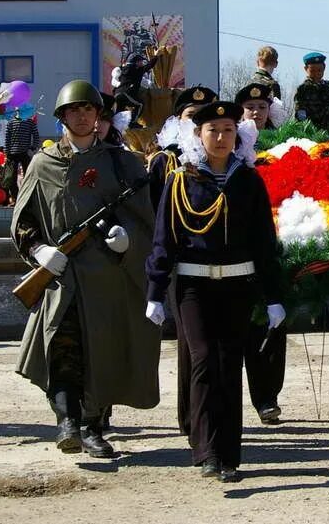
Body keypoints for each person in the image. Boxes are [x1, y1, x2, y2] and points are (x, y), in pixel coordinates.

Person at [12, 80, 159, 459]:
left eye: (88, 110)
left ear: (98, 116)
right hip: (61, 278)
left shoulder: (121, 163)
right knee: (61, 347)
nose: (81, 116)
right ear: (62, 116)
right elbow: (23, 220)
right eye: (73, 110)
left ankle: (93, 427)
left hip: (107, 278)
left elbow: (146, 219)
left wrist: (127, 240)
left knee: (102, 352)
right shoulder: (42, 164)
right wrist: (39, 249)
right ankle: (67, 422)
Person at [145, 100, 285, 482]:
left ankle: (228, 455)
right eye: (213, 130)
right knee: (204, 360)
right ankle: (206, 450)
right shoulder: (181, 179)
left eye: (227, 130)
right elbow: (164, 238)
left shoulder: (249, 179)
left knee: (229, 364)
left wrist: (274, 297)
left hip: (238, 283)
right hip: (194, 284)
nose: (221, 138)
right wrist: (155, 291)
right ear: (198, 135)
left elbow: (263, 242)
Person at [146, 85, 217, 436]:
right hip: (179, 263)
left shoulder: (224, 160)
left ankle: (210, 420)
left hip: (219, 264)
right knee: (191, 345)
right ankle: (191, 420)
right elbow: (155, 216)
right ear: (177, 120)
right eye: (191, 118)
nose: (196, 126)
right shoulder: (165, 161)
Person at [294, 52, 329, 140]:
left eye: (319, 70)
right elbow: (301, 118)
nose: (316, 73)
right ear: (306, 69)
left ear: (324, 68)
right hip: (312, 138)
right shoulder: (303, 89)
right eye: (312, 70)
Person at [4, 111, 41, 202]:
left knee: (29, 176)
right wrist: (6, 153)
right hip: (12, 154)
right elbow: (7, 139)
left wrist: (33, 148)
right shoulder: (11, 122)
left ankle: (28, 197)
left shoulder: (29, 122)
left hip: (25, 152)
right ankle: (15, 198)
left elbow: (36, 135)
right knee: (11, 178)